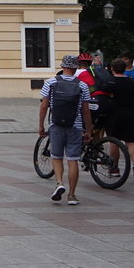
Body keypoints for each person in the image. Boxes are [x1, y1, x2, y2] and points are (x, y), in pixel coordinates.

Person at [38, 54, 93, 206]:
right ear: (76, 67)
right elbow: (86, 110)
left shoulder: (51, 82)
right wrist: (88, 130)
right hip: (75, 126)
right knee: (73, 159)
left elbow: (44, 106)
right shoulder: (82, 86)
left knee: (56, 156)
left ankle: (59, 182)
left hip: (56, 125)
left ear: (62, 66)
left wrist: (41, 125)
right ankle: (72, 195)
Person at [105, 57, 134, 180]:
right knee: (131, 141)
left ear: (112, 69)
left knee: (114, 140)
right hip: (130, 114)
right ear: (125, 69)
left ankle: (114, 168)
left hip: (114, 115)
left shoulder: (110, 82)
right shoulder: (132, 82)